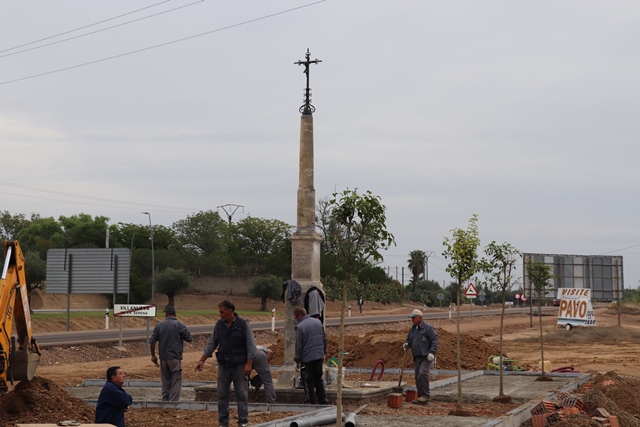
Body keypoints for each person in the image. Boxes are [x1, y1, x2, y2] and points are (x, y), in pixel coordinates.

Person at [195, 300, 256, 427]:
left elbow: (251, 345)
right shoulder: (219, 325)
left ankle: (243, 422)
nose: (220, 315)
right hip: (224, 365)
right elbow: (212, 343)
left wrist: (249, 363)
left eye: (222, 312)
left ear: (230, 311)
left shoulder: (243, 324)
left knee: (241, 394)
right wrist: (202, 360)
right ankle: (223, 422)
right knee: (222, 393)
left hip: (240, 365)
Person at [149, 305, 193, 401]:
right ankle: (173, 402)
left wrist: (153, 355)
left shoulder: (159, 325)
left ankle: (165, 400)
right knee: (176, 380)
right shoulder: (179, 325)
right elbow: (189, 338)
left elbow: (152, 341)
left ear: (166, 314)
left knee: (165, 380)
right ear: (174, 314)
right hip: (175, 357)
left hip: (163, 357)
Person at [403, 309, 439, 405]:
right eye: (411, 318)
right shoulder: (413, 329)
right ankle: (420, 396)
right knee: (417, 376)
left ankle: (425, 396)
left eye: (414, 317)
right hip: (417, 357)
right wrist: (407, 344)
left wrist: (432, 352)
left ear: (420, 318)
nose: (412, 319)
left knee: (423, 373)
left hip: (427, 357)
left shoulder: (428, 328)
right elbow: (409, 339)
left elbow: (434, 340)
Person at [294, 307, 328, 405]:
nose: (296, 319)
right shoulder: (318, 322)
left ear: (299, 316)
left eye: (296, 317)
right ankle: (323, 400)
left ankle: (310, 401)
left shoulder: (300, 326)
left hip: (307, 358)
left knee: (308, 380)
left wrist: (297, 359)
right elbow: (324, 339)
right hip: (318, 356)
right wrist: (324, 352)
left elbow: (298, 345)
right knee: (318, 378)